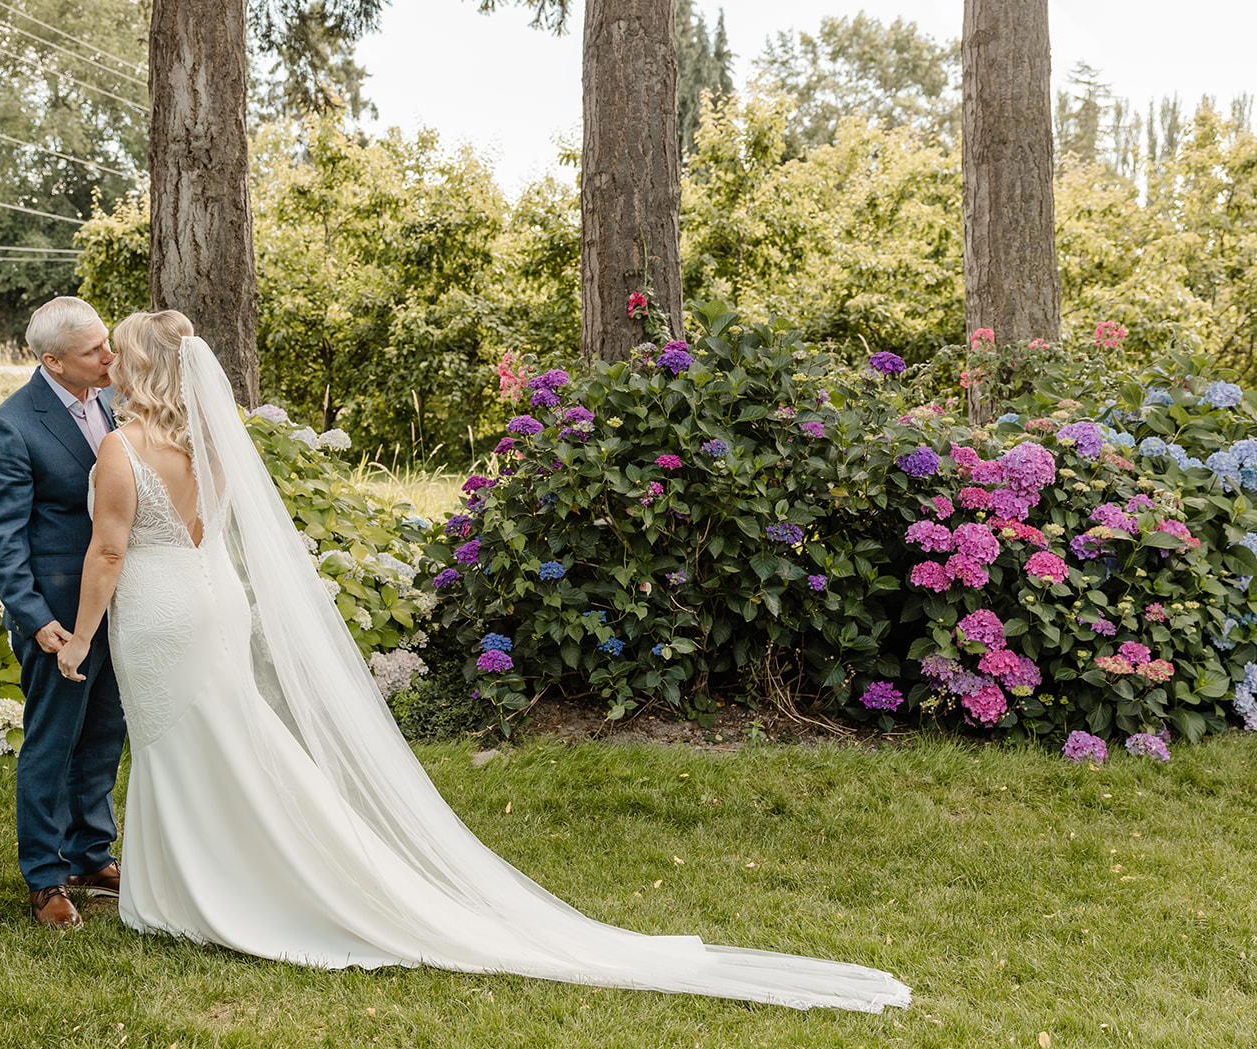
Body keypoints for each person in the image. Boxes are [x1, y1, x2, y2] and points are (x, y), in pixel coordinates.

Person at [55, 309, 911, 1011]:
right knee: (223, 740)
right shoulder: (213, 441)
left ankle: (204, 890)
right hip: (213, 601)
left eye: (121, 355)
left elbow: (110, 552)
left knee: (189, 742)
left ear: (145, 369)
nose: (113, 366)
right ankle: (194, 880)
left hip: (161, 613)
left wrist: (83, 635)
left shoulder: (123, 450)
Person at [0, 296, 128, 928]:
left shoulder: (113, 400)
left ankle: (92, 853)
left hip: (117, 602)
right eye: (95, 350)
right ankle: (44, 876)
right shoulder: (11, 427)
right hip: (58, 615)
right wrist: (35, 619)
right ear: (53, 361)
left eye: (106, 342)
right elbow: (3, 538)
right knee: (52, 740)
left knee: (104, 732)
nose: (110, 356)